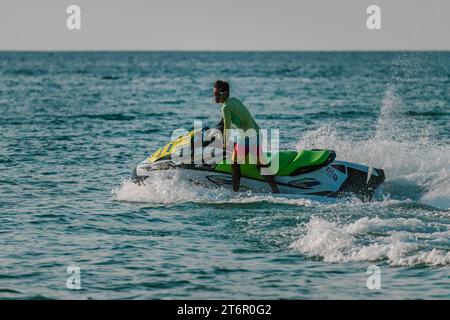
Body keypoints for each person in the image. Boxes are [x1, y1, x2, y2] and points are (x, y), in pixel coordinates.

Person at [213, 80, 280, 193]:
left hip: (247, 138)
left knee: (234, 162)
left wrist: (224, 143)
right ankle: (275, 188)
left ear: (223, 94)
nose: (214, 97)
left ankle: (235, 191)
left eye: (216, 94)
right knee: (259, 163)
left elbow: (227, 127)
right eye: (213, 93)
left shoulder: (225, 108)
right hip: (257, 134)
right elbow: (226, 121)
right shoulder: (235, 101)